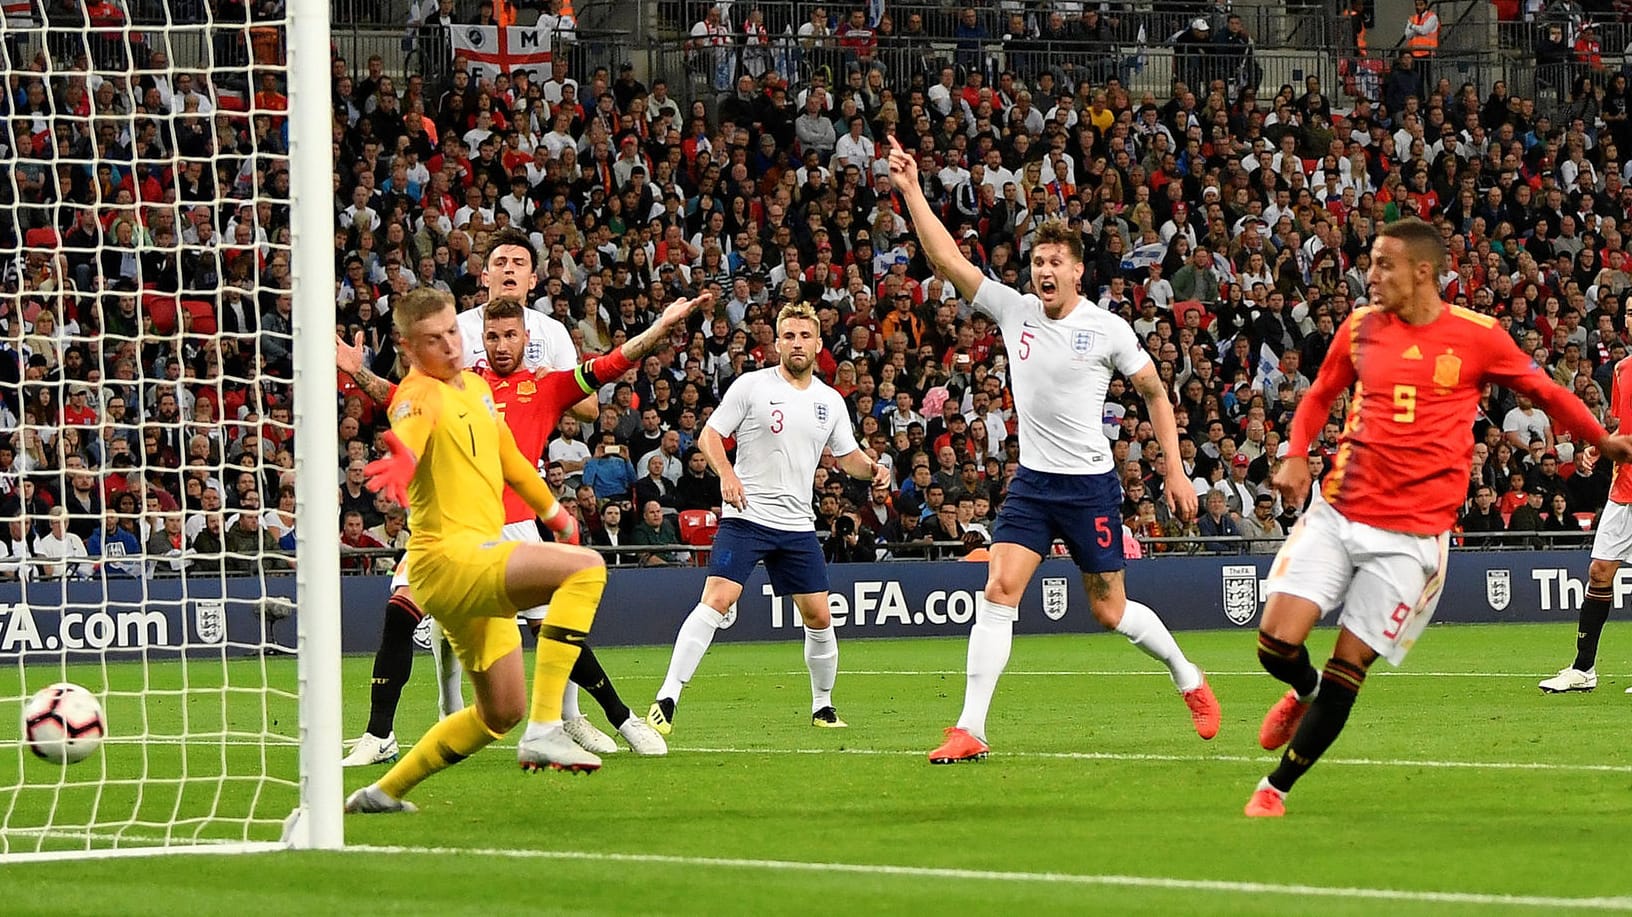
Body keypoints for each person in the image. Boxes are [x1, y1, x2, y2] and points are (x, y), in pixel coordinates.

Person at [1243, 218, 1632, 818]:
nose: (1370, 275)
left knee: (1352, 664)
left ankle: (1275, 788)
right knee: (1273, 643)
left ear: (1422, 272)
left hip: (1412, 538)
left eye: (1383, 264)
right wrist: (1297, 450)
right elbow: (1319, 395)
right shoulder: (1359, 328)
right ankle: (1303, 688)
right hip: (1338, 511)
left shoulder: (1478, 336)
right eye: (1370, 263)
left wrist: (1600, 441)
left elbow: (1546, 392)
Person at [881, 137, 1219, 767]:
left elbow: (1155, 394)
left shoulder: (1108, 328)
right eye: (1036, 260)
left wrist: (1174, 468)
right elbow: (949, 259)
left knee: (1109, 610)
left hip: (1090, 486)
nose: (1042, 271)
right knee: (999, 589)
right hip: (1033, 484)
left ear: (1076, 271)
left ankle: (1187, 675)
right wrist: (911, 190)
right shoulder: (1015, 311)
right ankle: (970, 727)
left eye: (1054, 262)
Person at [337, 292, 707, 776]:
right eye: (492, 336)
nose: (502, 344)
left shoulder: (546, 387)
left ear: (527, 339)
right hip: (451, 530)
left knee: (552, 630)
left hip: (515, 529)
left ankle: (619, 718)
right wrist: (360, 376)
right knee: (400, 612)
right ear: (481, 341)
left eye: (511, 335)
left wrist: (659, 330)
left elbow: (611, 364)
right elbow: (407, 404)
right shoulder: (465, 384)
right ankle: (379, 734)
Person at [344, 288, 607, 814]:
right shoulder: (418, 395)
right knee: (586, 571)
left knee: (497, 713)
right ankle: (549, 725)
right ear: (407, 347)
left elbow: (509, 458)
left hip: (467, 570)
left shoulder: (475, 389)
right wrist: (399, 459)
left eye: (451, 332)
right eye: (432, 339)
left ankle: (381, 793)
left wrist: (554, 513)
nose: (449, 345)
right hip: (449, 561)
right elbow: (410, 429)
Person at [647, 302, 892, 735]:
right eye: (789, 336)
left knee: (819, 616)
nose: (797, 344)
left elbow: (846, 456)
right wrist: (726, 474)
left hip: (797, 526)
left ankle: (823, 706)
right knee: (717, 600)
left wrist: (873, 468)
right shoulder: (751, 387)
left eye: (805, 337)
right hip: (746, 517)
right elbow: (709, 435)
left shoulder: (829, 401)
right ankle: (667, 697)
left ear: (818, 344)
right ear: (776, 342)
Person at [1539, 352, 1632, 693]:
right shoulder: (1622, 369)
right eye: (1630, 313)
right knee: (1599, 572)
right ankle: (1583, 669)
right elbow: (1626, 426)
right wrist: (1603, 444)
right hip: (1623, 490)